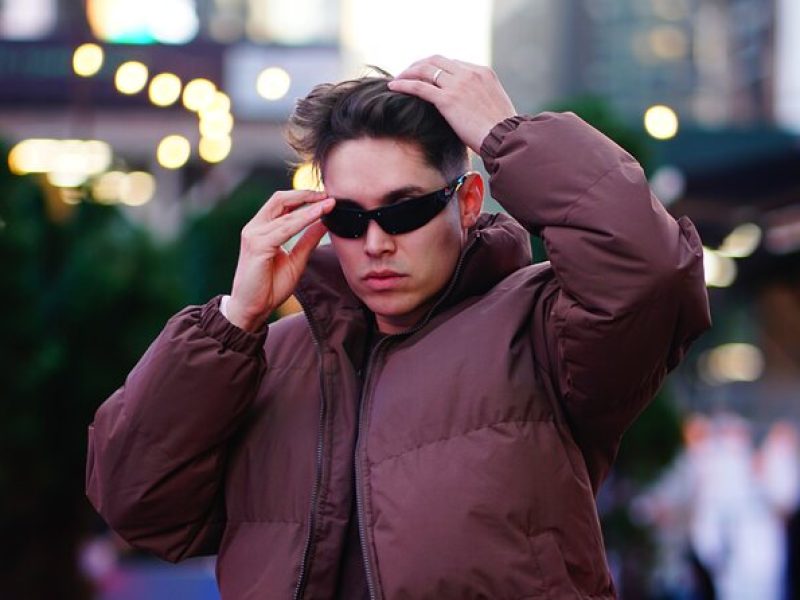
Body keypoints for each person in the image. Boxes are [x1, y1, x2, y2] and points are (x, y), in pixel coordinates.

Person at [86, 56, 711, 599]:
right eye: (349, 219)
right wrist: (233, 322)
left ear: (467, 203)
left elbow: (650, 274)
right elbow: (135, 502)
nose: (376, 243)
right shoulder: (263, 357)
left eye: (405, 209)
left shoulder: (541, 327)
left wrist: (506, 136)